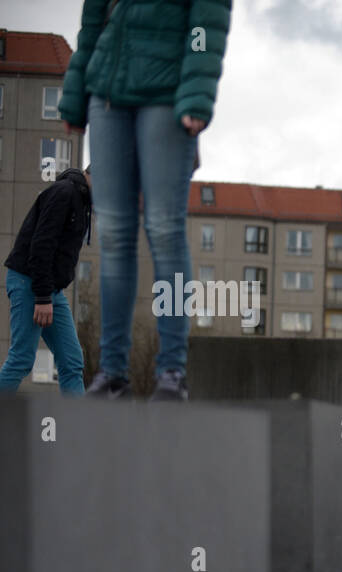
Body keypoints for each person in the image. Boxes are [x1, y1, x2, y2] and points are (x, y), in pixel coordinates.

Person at [59, 0, 233, 400]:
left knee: (164, 227)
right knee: (115, 234)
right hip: (107, 95)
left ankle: (172, 371)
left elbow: (204, 24)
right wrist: (74, 93)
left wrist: (196, 93)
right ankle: (113, 374)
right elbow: (92, 26)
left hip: (167, 94)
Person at [1, 168, 93, 396]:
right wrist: (42, 297)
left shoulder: (82, 201)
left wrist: (48, 293)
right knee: (22, 358)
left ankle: (78, 429)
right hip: (29, 281)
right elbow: (41, 245)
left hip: (50, 288)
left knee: (72, 360)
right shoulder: (64, 193)